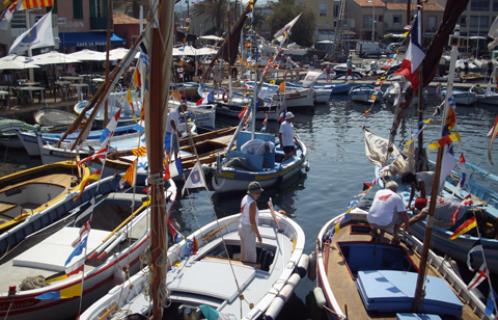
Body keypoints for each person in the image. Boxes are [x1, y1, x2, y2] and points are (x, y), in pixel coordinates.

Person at [239, 181, 264, 264]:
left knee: (244, 251)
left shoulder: (245, 198)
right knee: (251, 254)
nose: (259, 195)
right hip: (248, 230)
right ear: (252, 193)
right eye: (257, 193)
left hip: (242, 226)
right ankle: (251, 270)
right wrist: (258, 235)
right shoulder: (252, 203)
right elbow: (252, 222)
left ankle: (242, 265)